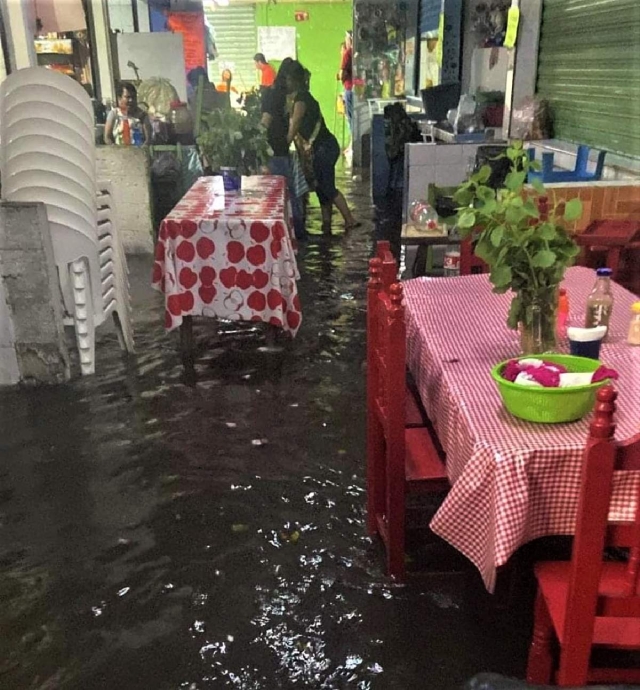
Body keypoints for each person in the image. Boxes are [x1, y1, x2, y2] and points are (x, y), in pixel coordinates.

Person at [285, 61, 359, 235]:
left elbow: (294, 126)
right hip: (325, 147)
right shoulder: (304, 97)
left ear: (294, 80)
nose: (285, 83)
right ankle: (327, 225)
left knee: (327, 187)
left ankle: (350, 220)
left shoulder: (302, 100)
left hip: (323, 148)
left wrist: (283, 146)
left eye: (287, 79)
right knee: (320, 187)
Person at [261, 59, 307, 240]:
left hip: (278, 150)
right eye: (294, 81)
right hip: (276, 151)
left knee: (283, 196)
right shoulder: (275, 96)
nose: (294, 86)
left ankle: (288, 236)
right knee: (285, 196)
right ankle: (293, 236)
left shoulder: (275, 94)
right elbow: (266, 121)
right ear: (287, 78)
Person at [339, 31, 354, 137]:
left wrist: (341, 77)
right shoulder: (360, 52)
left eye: (346, 38)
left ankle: (354, 141)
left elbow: (342, 73)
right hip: (360, 89)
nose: (345, 40)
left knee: (351, 117)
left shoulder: (348, 53)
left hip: (349, 88)